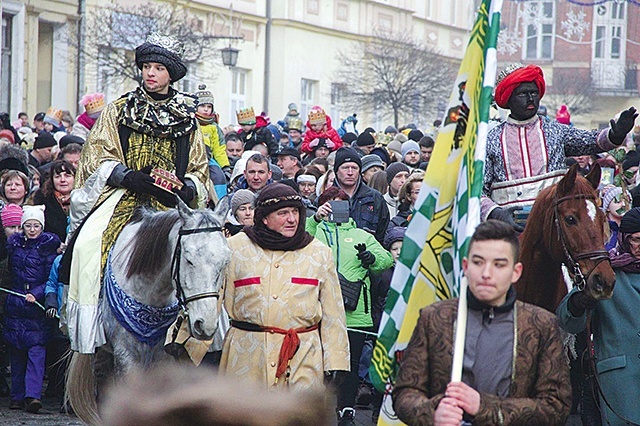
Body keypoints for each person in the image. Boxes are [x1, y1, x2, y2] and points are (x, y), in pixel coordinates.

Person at [64, 32, 209, 354]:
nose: (150, 73)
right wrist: (128, 176)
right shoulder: (119, 110)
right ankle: (92, 329)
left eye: (158, 67)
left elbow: (200, 167)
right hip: (125, 195)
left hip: (171, 204)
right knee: (88, 246)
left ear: (171, 74)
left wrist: (187, 187)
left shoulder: (188, 117)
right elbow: (96, 157)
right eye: (146, 66)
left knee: (206, 254)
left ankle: (203, 329)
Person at [393, 220, 571, 425]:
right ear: (466, 266)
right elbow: (405, 392)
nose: (486, 273)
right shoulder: (434, 318)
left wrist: (485, 407)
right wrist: (432, 413)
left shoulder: (540, 325)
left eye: (499, 264)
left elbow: (557, 406)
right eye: (478, 262)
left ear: (516, 272)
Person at [220, 183, 350, 390]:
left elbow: (333, 313)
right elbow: (211, 298)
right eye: (283, 213)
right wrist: (187, 346)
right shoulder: (234, 248)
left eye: (296, 212)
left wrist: (337, 362)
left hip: (303, 357)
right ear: (264, 217)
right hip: (246, 357)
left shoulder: (318, 253)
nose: (292, 219)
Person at [484, 63, 638, 228]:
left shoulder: (555, 131)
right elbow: (476, 190)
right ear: (509, 99)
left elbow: (590, 140)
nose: (531, 99)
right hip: (509, 228)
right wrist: (495, 212)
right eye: (523, 94)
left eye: (534, 93)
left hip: (555, 227)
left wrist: (616, 134)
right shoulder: (491, 139)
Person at [307, 187, 393, 425]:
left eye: (340, 203)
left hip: (354, 314)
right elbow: (297, 240)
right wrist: (315, 218)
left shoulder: (361, 235)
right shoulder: (315, 232)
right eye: (330, 203)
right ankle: (319, 411)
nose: (335, 207)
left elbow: (386, 260)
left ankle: (346, 411)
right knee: (318, 364)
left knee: (350, 366)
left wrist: (371, 259)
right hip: (318, 313)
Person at [557, 207, 640, 426]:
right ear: (623, 239)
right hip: (621, 383)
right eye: (637, 240)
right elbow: (567, 322)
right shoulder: (606, 274)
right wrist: (579, 302)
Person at [5, 205, 61, 413]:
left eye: (36, 225)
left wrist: (36, 293)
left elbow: (50, 278)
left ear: (42, 226)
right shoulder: (15, 247)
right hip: (16, 304)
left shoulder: (47, 249)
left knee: (36, 354)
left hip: (35, 309)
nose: (32, 229)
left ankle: (33, 395)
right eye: (28, 225)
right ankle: (17, 396)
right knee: (17, 354)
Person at [333, 148, 389, 244]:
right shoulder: (326, 199)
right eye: (345, 168)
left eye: (354, 168)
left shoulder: (375, 198)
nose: (350, 172)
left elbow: (383, 233)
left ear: (360, 171)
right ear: (336, 171)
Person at [32, 159, 75, 242]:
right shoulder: (42, 200)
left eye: (67, 176)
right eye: (57, 176)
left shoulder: (84, 200)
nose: (62, 180)